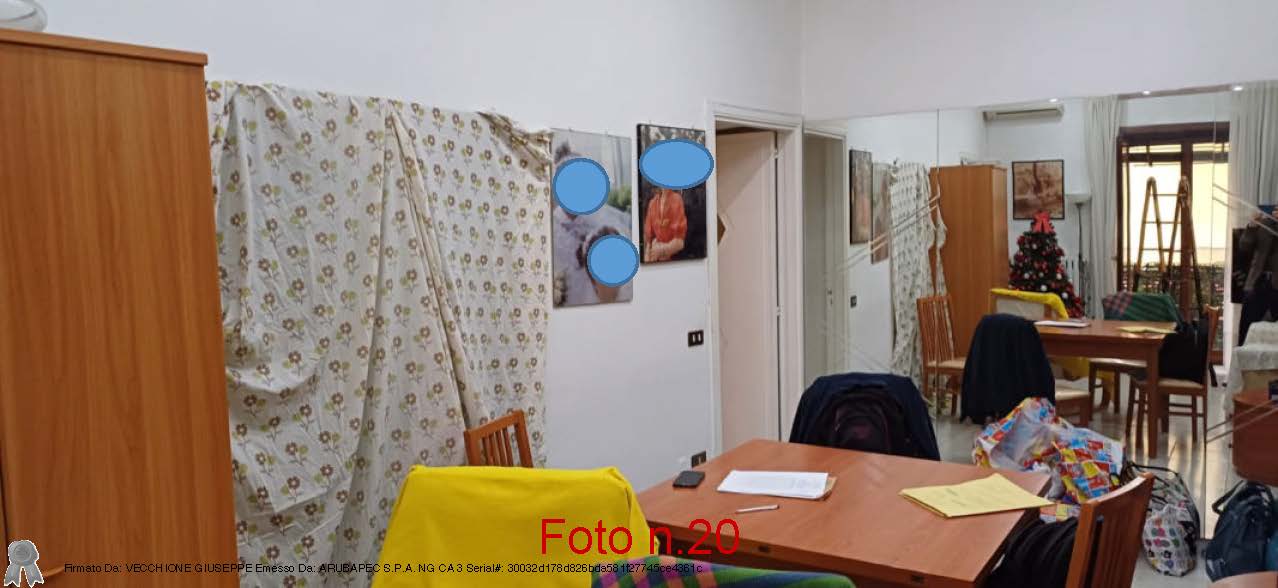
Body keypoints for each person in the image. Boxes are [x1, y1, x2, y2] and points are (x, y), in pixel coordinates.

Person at [1238, 209, 1278, 345]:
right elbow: (1244, 246)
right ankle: (1243, 356)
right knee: (1246, 329)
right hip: (1256, 283)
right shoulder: (1263, 224)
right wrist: (1252, 226)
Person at [642, 187, 687, 262]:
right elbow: (648, 241)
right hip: (655, 260)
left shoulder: (677, 199)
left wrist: (662, 250)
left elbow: (680, 242)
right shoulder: (652, 203)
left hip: (675, 260)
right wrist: (648, 260)